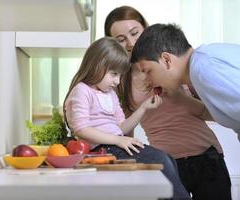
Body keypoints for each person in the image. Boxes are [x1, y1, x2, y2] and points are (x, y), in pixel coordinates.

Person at [105, 6, 231, 200]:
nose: (131, 43)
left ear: (145, 29)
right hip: (166, 164)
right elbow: (124, 131)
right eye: (121, 40)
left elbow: (212, 113)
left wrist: (181, 98)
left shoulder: (181, 65)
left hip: (207, 157)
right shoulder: (118, 81)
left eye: (135, 33)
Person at [63, 37, 191, 200]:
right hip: (100, 150)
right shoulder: (82, 91)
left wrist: (143, 107)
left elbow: (121, 127)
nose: (117, 82)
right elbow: (81, 129)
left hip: (115, 144)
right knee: (161, 160)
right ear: (97, 66)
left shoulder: (110, 94)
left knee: (168, 159)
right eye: (114, 74)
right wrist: (117, 140)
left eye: (120, 76)